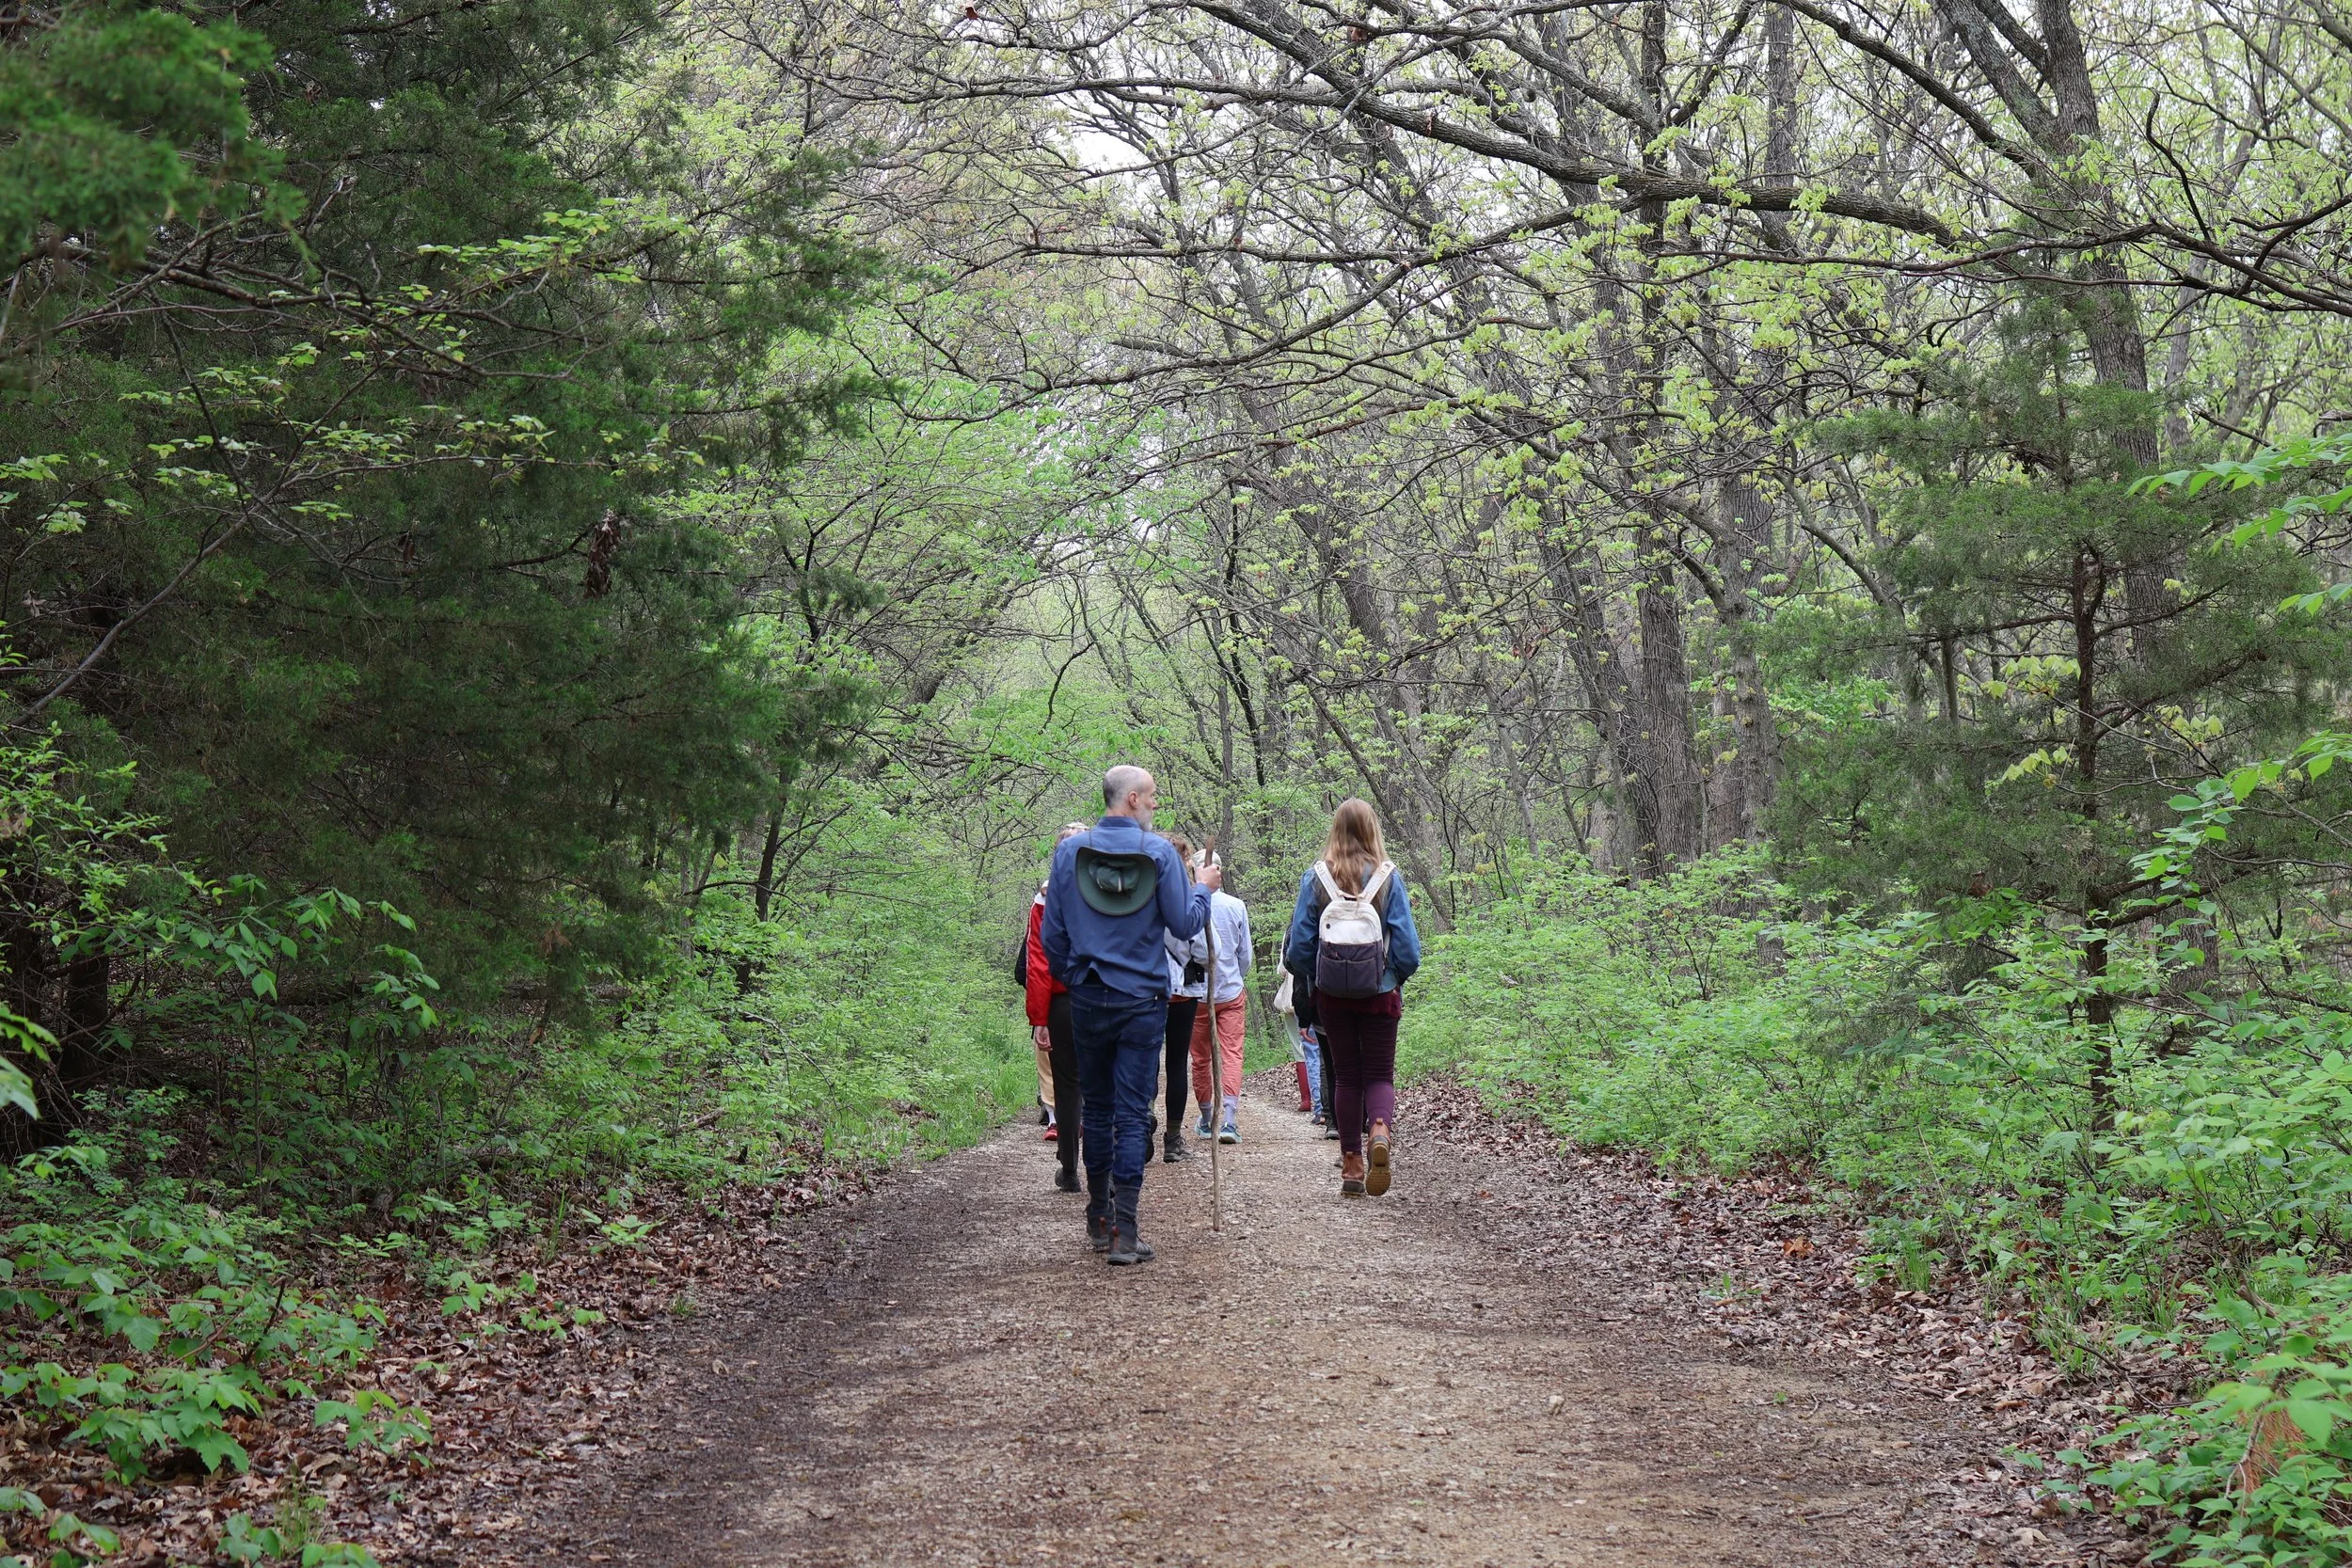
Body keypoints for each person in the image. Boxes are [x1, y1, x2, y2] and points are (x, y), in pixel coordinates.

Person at [1041, 765, 1219, 1265]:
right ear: (1134, 799)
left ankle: (1099, 1216)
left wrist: (1075, 976)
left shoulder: (1069, 853)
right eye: (1155, 798)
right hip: (1142, 1001)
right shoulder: (1160, 854)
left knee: (1097, 1109)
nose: (1157, 806)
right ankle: (1125, 1231)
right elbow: (1186, 923)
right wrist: (1203, 887)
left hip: (1088, 998)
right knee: (1132, 1110)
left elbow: (1052, 935)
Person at [1284, 799, 1421, 1196]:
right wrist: (1394, 977)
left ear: (1335, 830)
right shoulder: (1388, 877)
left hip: (1332, 996)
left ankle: (1351, 1165)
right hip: (1380, 992)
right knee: (1379, 1074)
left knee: (1346, 1077)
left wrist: (1319, 978)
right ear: (1372, 829)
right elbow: (1408, 948)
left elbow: (1298, 949)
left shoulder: (1316, 879)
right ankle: (1379, 1128)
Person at [1025, 822, 1091, 1192]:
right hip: (1102, 997)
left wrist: (1040, 1017)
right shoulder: (1112, 889)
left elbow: (1040, 961)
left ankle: (1069, 1169)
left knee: (1068, 1087)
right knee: (1100, 1084)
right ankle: (1103, 1172)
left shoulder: (1046, 898)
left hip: (1065, 1002)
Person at [1188, 875, 1250, 1144]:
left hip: (1199, 994)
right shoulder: (1236, 905)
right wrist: (1236, 976)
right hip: (1230, 990)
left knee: (1201, 1057)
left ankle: (1206, 1118)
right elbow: (1245, 954)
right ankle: (1228, 1120)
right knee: (1231, 1054)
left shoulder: (1188, 904)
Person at [1160, 834, 1206, 1164]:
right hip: (1182, 992)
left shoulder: (1141, 894)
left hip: (1147, 987)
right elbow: (1202, 949)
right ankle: (1173, 1139)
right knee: (1176, 1062)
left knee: (1145, 1060)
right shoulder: (1190, 899)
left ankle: (1141, 1125)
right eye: (1187, 857)